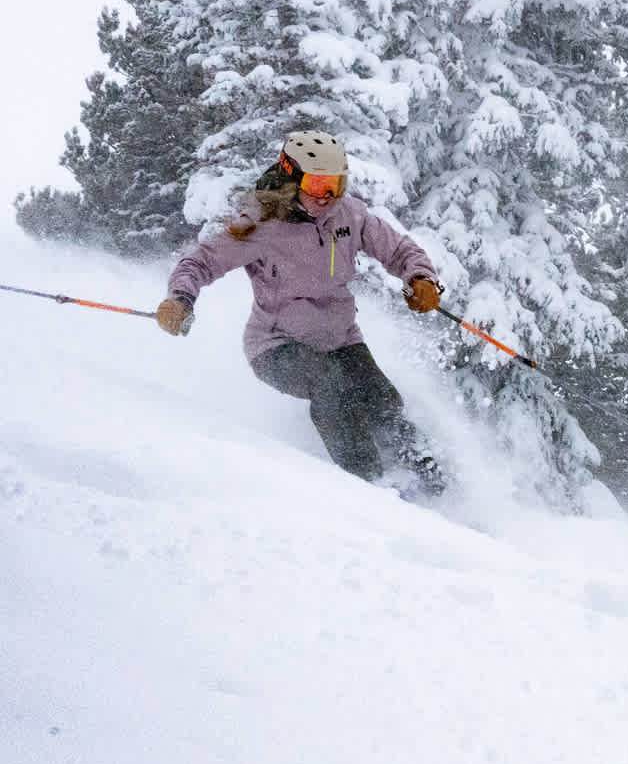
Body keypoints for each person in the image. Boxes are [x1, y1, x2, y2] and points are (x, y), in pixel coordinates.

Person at [155, 130, 448, 494]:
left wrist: (420, 278)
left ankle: (435, 483)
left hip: (340, 339)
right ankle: (373, 489)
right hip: (275, 346)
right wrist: (180, 299)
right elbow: (201, 261)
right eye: (318, 183)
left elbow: (399, 249)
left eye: (336, 184)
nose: (328, 196)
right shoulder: (259, 224)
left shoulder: (350, 215)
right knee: (330, 385)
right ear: (291, 177)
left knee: (381, 398)